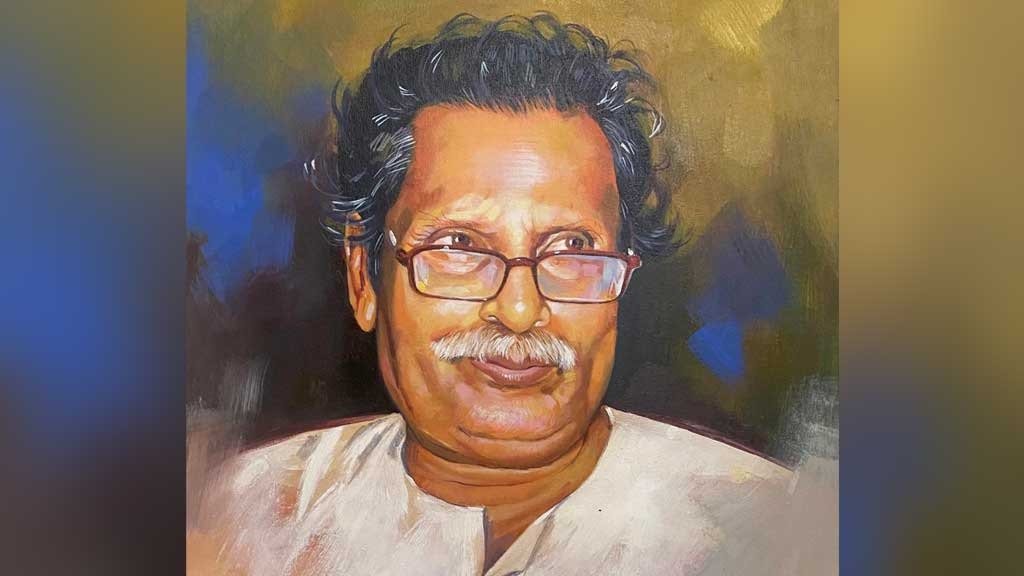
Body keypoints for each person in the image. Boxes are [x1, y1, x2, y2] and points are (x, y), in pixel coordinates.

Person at [190, 14, 797, 575]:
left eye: (572, 249)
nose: (520, 310)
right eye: (460, 245)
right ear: (363, 278)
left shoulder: (768, 531)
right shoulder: (237, 521)